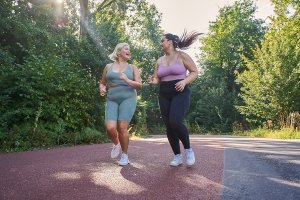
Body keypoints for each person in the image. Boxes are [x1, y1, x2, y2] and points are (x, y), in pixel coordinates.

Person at [148, 31, 201, 167]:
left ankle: (188, 150)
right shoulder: (159, 60)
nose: (160, 43)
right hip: (164, 93)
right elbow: (157, 79)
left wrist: (184, 82)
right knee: (169, 126)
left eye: (162, 41)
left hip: (180, 91)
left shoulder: (182, 56)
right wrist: (153, 82)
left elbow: (194, 72)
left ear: (170, 42)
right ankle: (177, 156)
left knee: (175, 121)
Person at [99, 42, 142, 166]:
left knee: (122, 127)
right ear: (118, 52)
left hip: (128, 98)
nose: (129, 51)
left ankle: (125, 155)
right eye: (126, 49)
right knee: (110, 128)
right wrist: (102, 89)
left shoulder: (132, 67)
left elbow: (139, 85)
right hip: (112, 98)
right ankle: (116, 144)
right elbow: (102, 82)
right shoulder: (108, 67)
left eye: (129, 49)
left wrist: (127, 80)